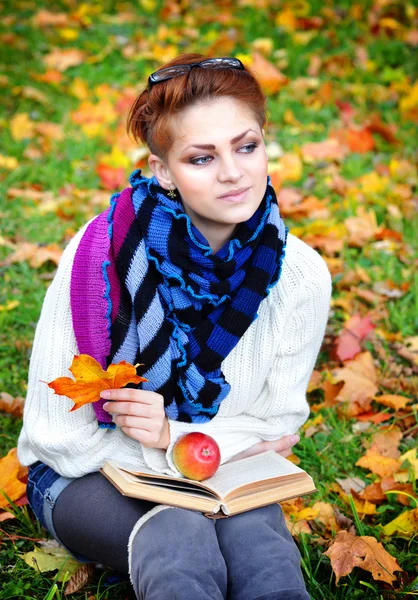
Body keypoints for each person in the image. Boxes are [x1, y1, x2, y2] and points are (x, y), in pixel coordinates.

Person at [17, 53, 331, 600]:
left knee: (265, 556)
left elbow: (279, 423)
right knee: (181, 543)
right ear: (163, 169)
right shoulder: (100, 257)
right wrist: (199, 451)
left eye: (246, 146)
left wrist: (172, 437)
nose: (233, 172)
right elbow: (58, 438)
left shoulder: (299, 274)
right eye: (201, 158)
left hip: (216, 472)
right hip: (83, 474)